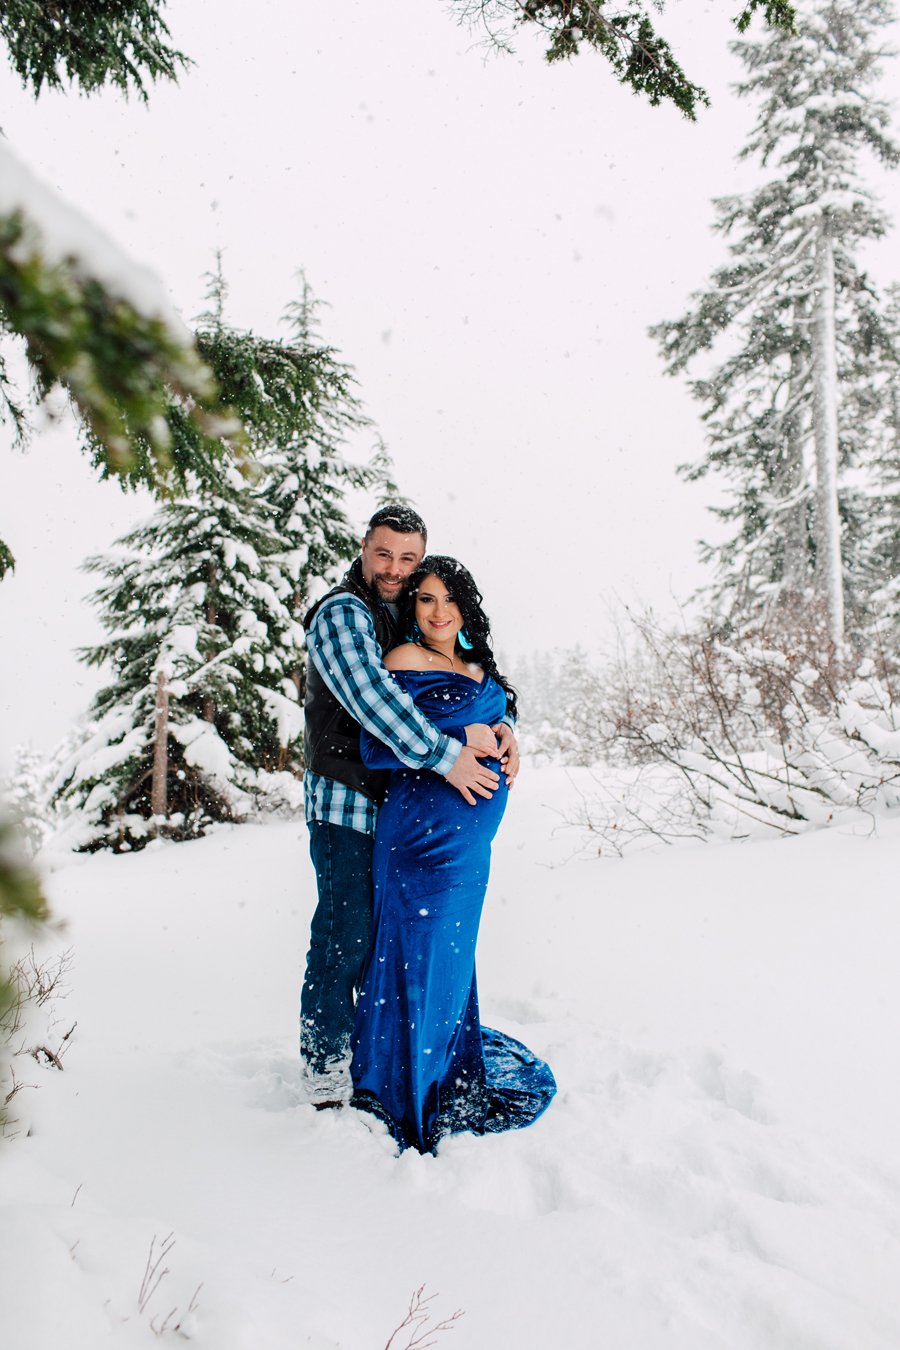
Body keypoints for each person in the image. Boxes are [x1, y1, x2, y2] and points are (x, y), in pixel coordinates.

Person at [300, 507, 518, 1105]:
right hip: (347, 801)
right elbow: (374, 703)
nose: (395, 569)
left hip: (401, 809)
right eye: (384, 554)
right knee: (346, 935)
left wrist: (503, 727)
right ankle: (324, 1062)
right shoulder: (344, 612)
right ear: (364, 549)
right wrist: (449, 755)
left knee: (387, 941)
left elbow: (467, 690)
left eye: (408, 559)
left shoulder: (405, 618)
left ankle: (384, 1052)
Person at [350, 556, 556, 1153]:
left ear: (466, 607)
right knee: (415, 957)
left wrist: (509, 733)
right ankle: (404, 1089)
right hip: (419, 838)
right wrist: (455, 739)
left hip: (469, 852)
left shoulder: (473, 664)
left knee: (450, 958)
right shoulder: (404, 661)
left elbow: (494, 710)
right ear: (411, 609)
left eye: (449, 600)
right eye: (426, 600)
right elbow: (376, 743)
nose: (439, 612)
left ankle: (442, 1063)